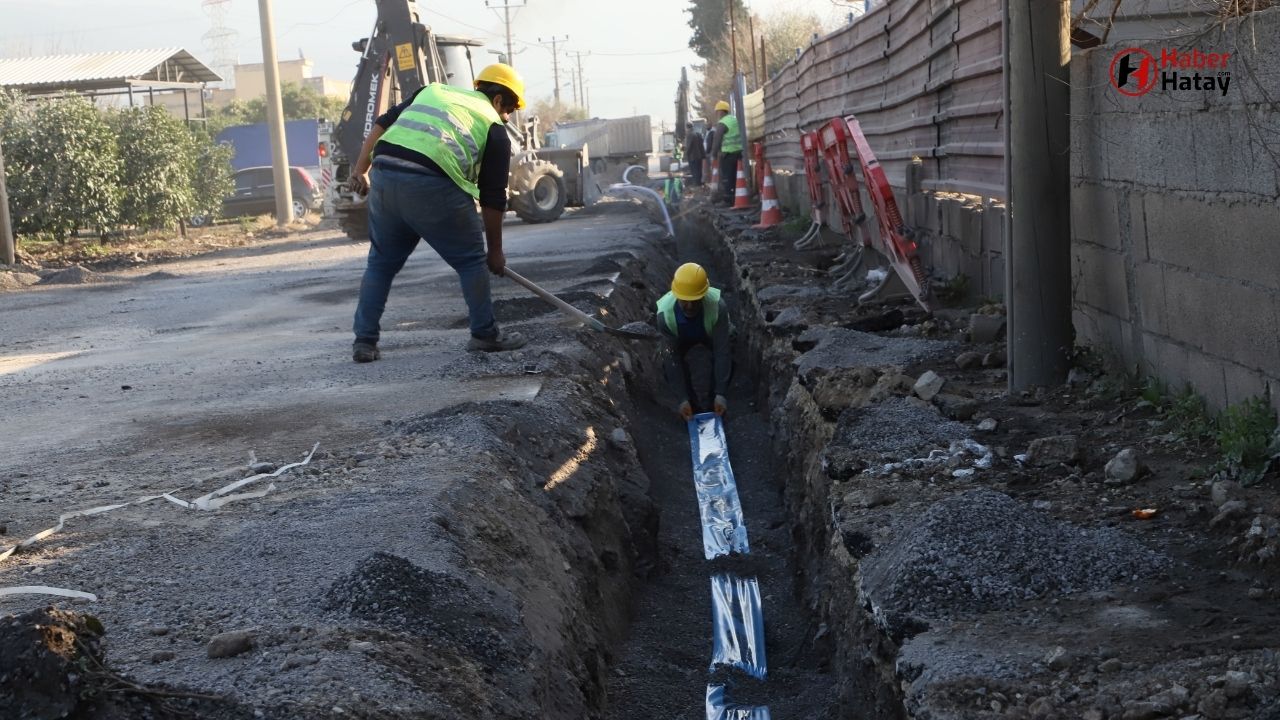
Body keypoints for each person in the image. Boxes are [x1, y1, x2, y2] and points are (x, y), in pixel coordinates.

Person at [348, 63, 529, 363]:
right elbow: (493, 199)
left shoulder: (432, 91)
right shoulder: (494, 128)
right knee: (471, 261)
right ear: (498, 100)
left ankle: (364, 342)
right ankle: (485, 334)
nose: (506, 117)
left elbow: (382, 122)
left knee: (380, 264)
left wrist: (359, 170)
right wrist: (494, 252)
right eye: (508, 109)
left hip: (384, 175)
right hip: (431, 185)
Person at [655, 262, 732, 420]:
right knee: (665, 358)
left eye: (695, 300)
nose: (689, 306)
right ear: (676, 294)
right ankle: (692, 406)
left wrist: (720, 393)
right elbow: (672, 360)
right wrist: (682, 399)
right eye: (684, 300)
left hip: (709, 332)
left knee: (732, 340)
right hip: (679, 335)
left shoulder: (718, 308)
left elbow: (722, 351)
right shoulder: (665, 316)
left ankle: (714, 402)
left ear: (704, 295)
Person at [708, 100, 742, 201]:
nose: (716, 114)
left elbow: (717, 140)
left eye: (717, 112)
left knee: (727, 178)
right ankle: (737, 197)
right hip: (739, 153)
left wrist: (713, 154)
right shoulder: (734, 119)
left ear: (721, 111)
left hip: (728, 154)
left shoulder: (723, 123)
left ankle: (728, 200)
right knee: (736, 177)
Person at [684, 121, 705, 186]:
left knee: (694, 171)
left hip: (693, 157)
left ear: (687, 127)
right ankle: (699, 183)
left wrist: (685, 155)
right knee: (699, 170)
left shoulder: (690, 134)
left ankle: (696, 184)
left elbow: (689, 146)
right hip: (699, 156)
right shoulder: (698, 134)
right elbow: (701, 145)